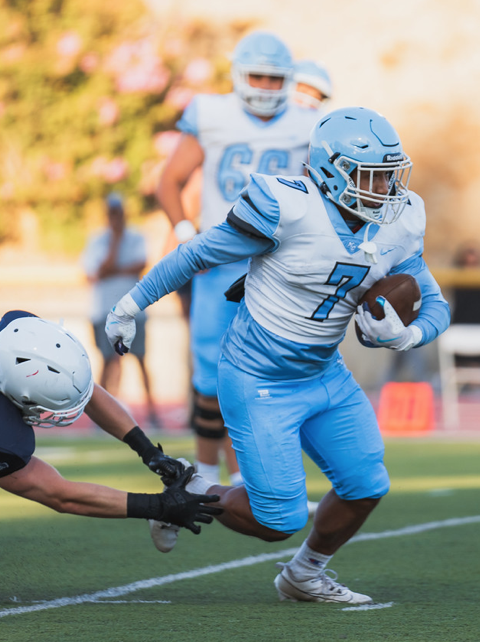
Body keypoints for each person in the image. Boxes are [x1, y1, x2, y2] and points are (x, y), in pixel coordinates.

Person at [107, 107, 450, 603]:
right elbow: (197, 253)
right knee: (277, 521)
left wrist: (407, 337)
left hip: (325, 373)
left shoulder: (399, 219)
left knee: (366, 483)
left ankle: (305, 574)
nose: (386, 190)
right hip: (258, 378)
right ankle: (182, 496)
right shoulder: (286, 206)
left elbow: (433, 301)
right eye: (372, 177)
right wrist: (129, 304)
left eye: (390, 176)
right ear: (333, 171)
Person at [0, 310, 221, 531]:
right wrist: (157, 507)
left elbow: (84, 387)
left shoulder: (16, 334)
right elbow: (59, 494)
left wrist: (148, 451)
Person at [155, 31, 321, 487]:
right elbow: (168, 181)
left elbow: (321, 192)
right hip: (221, 261)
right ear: (239, 75)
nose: (266, 86)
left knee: (270, 374)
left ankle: (250, 475)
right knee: (211, 374)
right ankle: (205, 473)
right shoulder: (211, 113)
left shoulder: (308, 123)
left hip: (280, 265)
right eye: (258, 76)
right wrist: (189, 237)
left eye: (275, 78)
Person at [81, 193, 158, 428]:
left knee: (141, 361)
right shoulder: (98, 239)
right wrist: (114, 245)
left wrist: (113, 269)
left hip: (133, 311)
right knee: (107, 362)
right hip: (105, 310)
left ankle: (153, 414)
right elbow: (96, 273)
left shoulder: (136, 236)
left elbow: (140, 264)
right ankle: (102, 416)